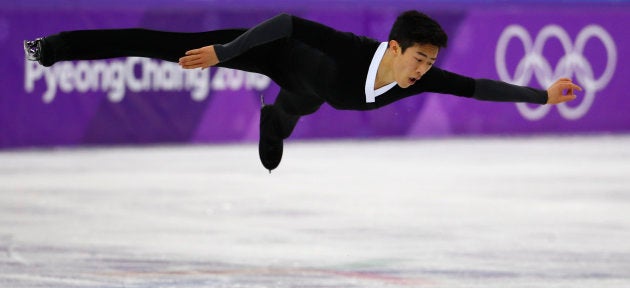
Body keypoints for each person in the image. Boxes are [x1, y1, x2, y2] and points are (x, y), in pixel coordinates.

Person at [24, 11, 582, 172]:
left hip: (316, 94)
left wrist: (542, 96)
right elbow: (288, 22)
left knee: (297, 106)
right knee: (160, 42)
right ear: (393, 47)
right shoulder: (351, 47)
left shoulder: (421, 79)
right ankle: (50, 48)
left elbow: (478, 87)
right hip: (270, 54)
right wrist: (224, 53)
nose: (424, 70)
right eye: (418, 58)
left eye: (430, 62)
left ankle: (273, 124)